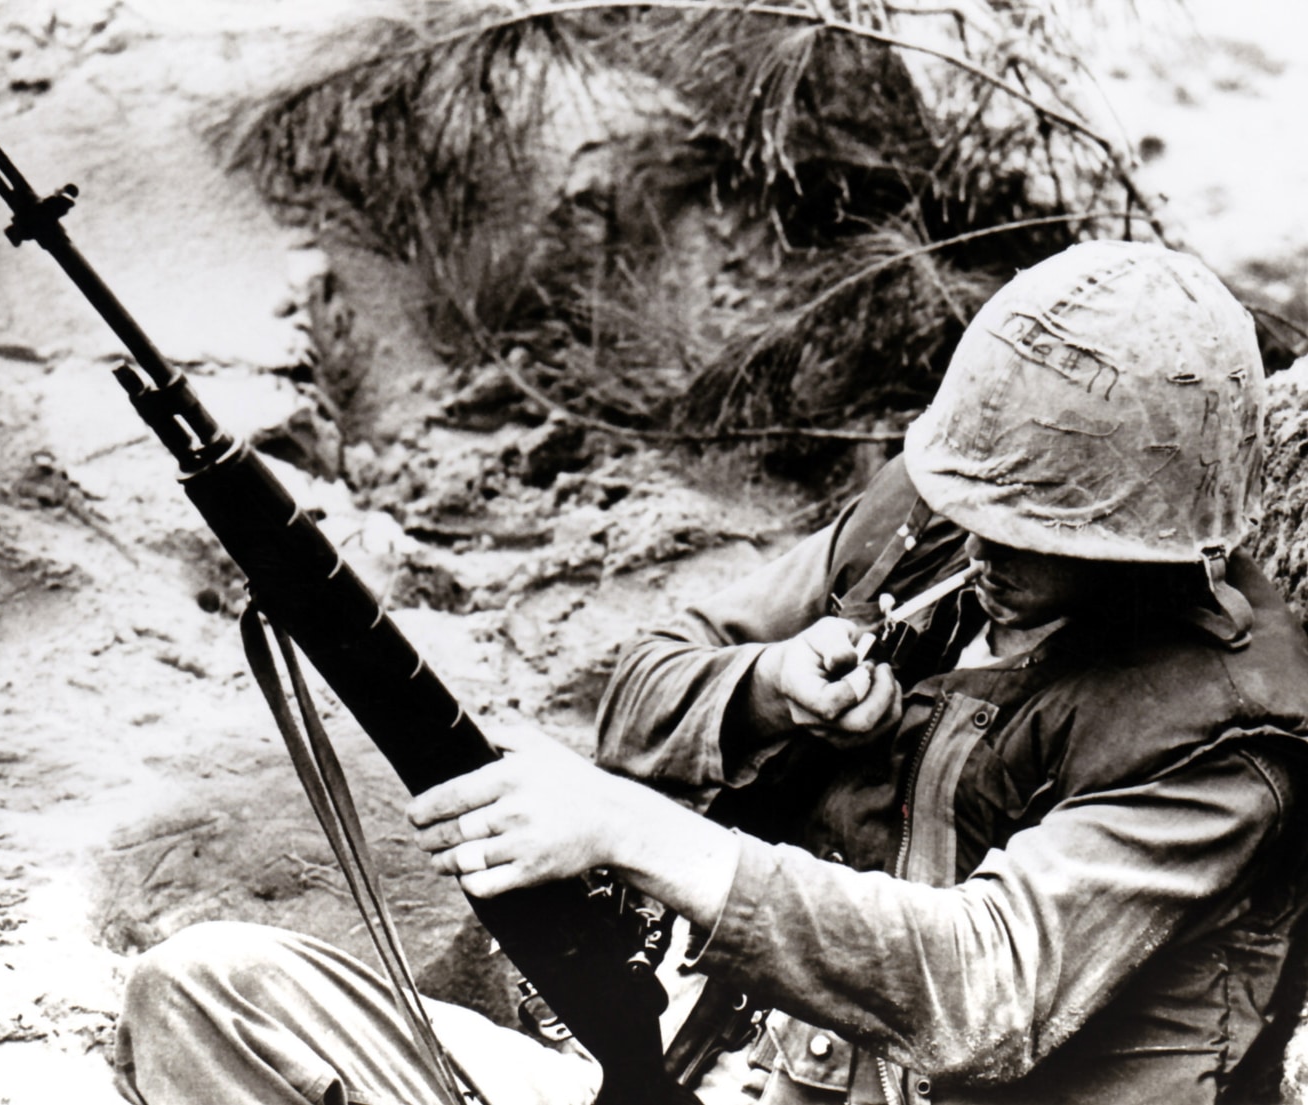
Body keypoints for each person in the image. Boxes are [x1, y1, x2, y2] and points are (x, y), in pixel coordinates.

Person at [114, 240, 1308, 1105]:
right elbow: (638, 692)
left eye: (1032, 527)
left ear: (1150, 536)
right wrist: (768, 686)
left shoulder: (1221, 737)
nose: (983, 543)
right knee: (211, 991)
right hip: (712, 1077)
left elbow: (980, 987)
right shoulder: (933, 531)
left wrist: (644, 837)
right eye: (971, 498)